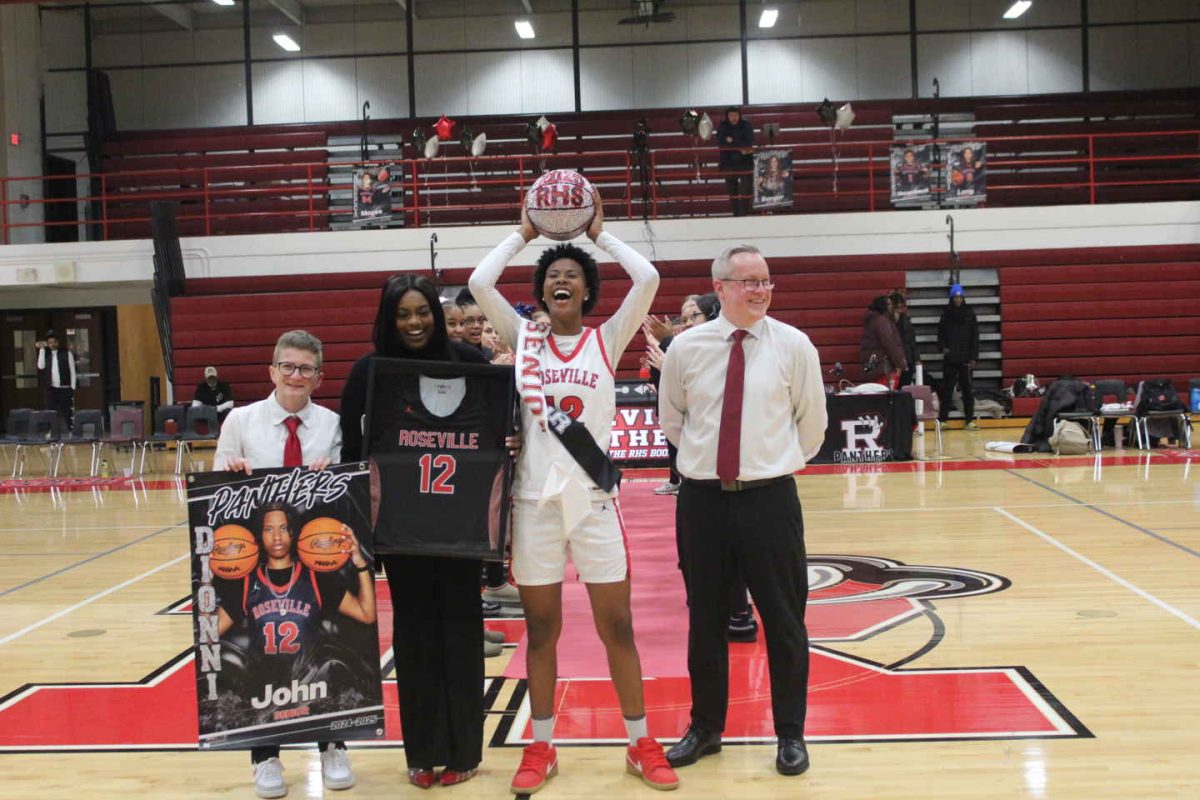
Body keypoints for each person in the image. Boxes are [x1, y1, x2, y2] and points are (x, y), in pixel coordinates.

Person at [469, 193, 679, 793]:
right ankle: (540, 745)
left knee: (618, 627)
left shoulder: (607, 340)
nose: (561, 282)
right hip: (533, 507)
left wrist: (598, 235)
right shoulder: (523, 338)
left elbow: (650, 276)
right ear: (541, 291)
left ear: (586, 290)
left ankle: (640, 739)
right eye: (552, 277)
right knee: (542, 631)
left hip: (592, 505)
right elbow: (480, 281)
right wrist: (524, 234)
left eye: (572, 276)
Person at [658, 244, 827, 777]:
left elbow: (812, 425)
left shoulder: (795, 346)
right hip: (703, 501)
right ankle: (706, 727)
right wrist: (710, 465)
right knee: (704, 620)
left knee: (783, 620)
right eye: (749, 281)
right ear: (721, 287)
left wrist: (769, 465)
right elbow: (674, 421)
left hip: (770, 500)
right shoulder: (687, 348)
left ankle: (791, 734)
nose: (760, 290)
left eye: (766, 281)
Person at [339, 274, 510, 788]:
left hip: (460, 533)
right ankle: (422, 752)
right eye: (403, 314)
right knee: (413, 641)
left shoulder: (472, 365)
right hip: (401, 532)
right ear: (387, 319)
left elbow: (503, 436)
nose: (414, 323)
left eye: (422, 313)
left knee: (460, 635)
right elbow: (351, 454)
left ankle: (464, 751)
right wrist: (365, 534)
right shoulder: (369, 373)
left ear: (436, 317)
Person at [211, 330, 356, 798]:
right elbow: (213, 497)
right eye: (288, 367)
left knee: (322, 649)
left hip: (314, 562)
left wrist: (327, 482)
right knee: (262, 654)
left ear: (319, 377)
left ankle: (332, 743)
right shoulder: (239, 421)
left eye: (306, 369)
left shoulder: (333, 423)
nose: (296, 376)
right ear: (272, 370)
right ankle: (265, 755)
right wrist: (230, 476)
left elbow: (344, 497)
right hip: (259, 562)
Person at [937, 284, 980, 429]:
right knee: (947, 389)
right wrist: (944, 349)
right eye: (955, 297)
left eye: (960, 297)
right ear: (951, 298)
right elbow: (940, 335)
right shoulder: (946, 314)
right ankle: (943, 420)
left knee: (967, 390)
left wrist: (973, 357)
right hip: (950, 359)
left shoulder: (970, 314)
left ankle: (969, 420)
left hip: (966, 359)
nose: (958, 300)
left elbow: (975, 337)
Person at [860, 295, 906, 388]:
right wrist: (899, 364)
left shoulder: (874, 320)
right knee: (887, 396)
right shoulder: (882, 322)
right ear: (883, 306)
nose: (891, 306)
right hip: (884, 368)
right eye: (889, 304)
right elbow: (890, 344)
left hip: (875, 367)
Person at [716, 106, 754, 217]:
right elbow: (720, 143)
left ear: (740, 115)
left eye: (736, 115)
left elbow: (749, 143)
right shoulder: (722, 126)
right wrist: (739, 143)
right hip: (728, 164)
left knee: (746, 190)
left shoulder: (746, 125)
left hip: (745, 163)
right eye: (731, 115)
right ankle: (736, 214)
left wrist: (732, 141)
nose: (733, 118)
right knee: (732, 192)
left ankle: (743, 214)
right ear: (727, 116)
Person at [35, 330, 76, 429]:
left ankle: (71, 431)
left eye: (54, 342)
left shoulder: (66, 353)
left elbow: (72, 372)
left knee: (67, 411)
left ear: (58, 342)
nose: (52, 344)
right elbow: (40, 366)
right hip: (51, 388)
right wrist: (42, 349)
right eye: (50, 343)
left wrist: (73, 388)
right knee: (50, 411)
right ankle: (51, 431)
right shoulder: (46, 354)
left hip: (65, 388)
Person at [889, 292, 920, 388]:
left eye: (900, 306)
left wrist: (917, 359)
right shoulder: (887, 323)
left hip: (907, 359)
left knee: (905, 387)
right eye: (897, 307)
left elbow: (912, 341)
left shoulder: (906, 321)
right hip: (895, 362)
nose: (899, 309)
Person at [455, 289, 493, 360]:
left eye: (480, 320)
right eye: (469, 321)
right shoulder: (452, 355)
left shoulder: (488, 354)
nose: (477, 326)